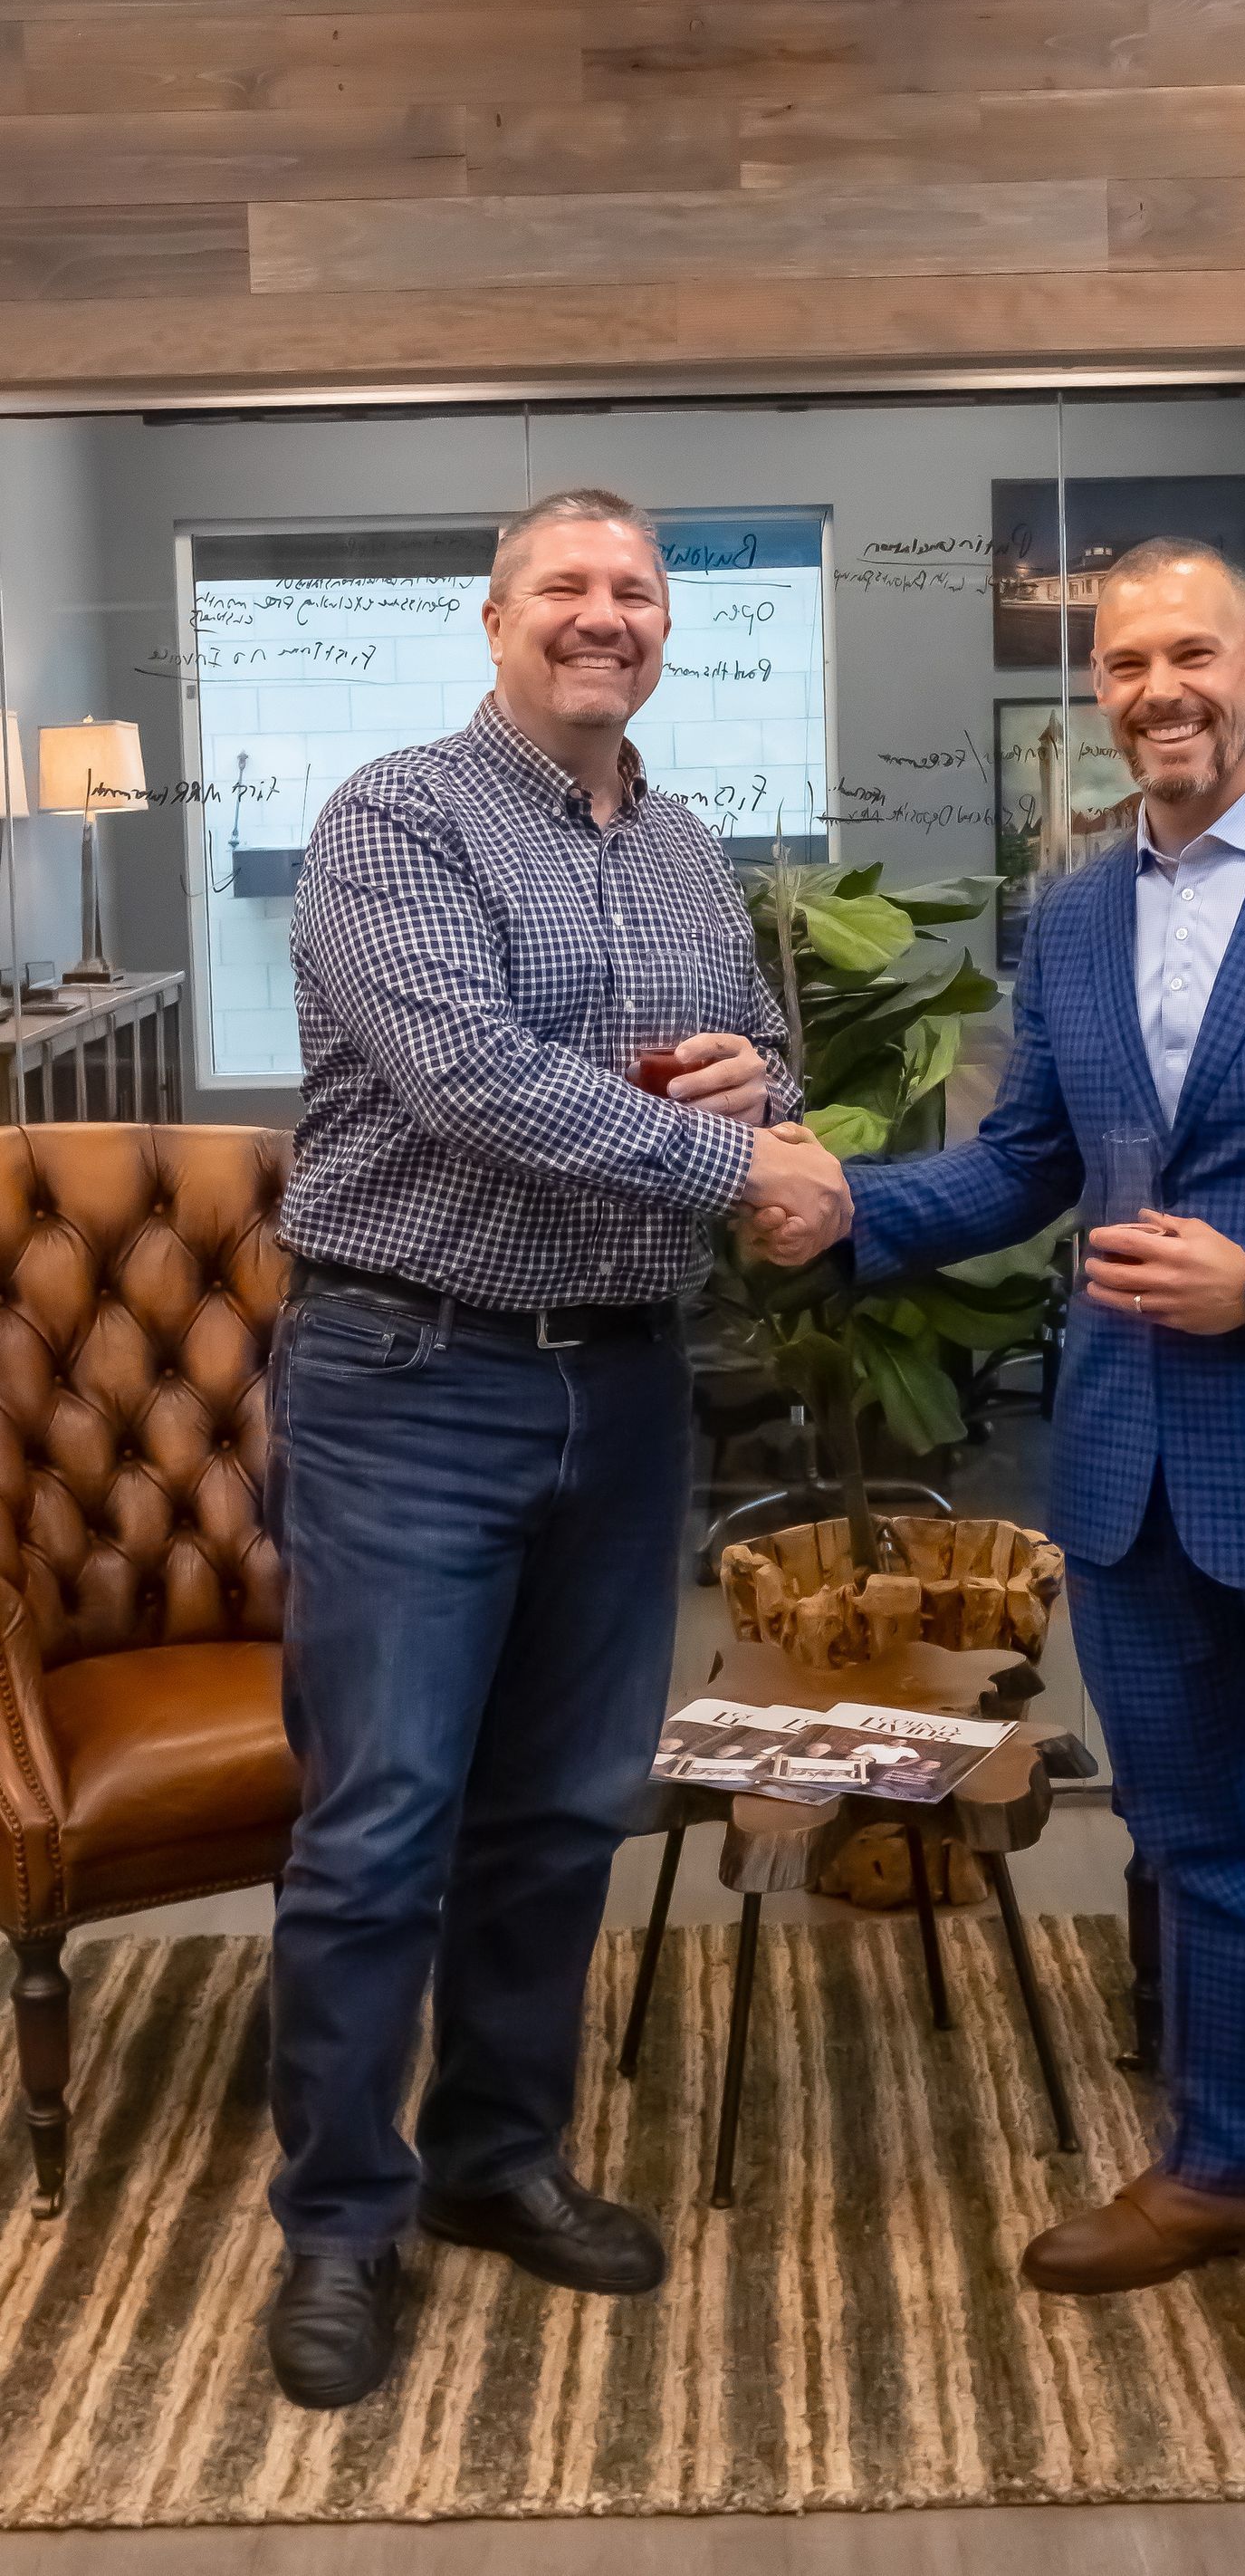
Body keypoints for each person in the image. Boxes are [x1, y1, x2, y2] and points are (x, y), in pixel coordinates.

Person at [751, 537, 1245, 2474]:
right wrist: (856, 1207)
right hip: (1131, 1477)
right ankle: (1232, 2161)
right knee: (1199, 1852)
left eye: (1191, 649)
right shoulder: (1081, 909)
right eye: (1124, 662)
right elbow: (1030, 1156)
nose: (1158, 688)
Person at [264, 485, 850, 2409]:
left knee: (556, 1807)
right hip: (411, 1372)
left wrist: (751, 1078)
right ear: (498, 617)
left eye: (638, 593)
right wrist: (726, 1150)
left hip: (620, 1379)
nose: (607, 618)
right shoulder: (394, 819)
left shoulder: (682, 840)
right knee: (382, 1821)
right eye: (570, 590)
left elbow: (760, 1033)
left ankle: (497, 2157)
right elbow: (467, 1076)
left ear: (668, 628)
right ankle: (344, 2219)